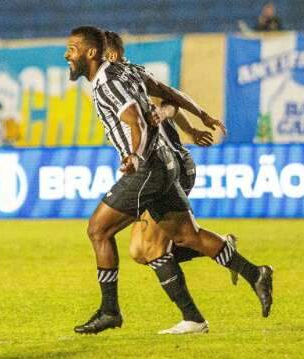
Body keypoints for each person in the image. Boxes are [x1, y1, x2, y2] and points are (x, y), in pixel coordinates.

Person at [65, 25, 273, 335]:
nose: (67, 54)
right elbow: (169, 94)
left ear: (91, 53)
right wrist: (201, 114)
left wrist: (134, 155)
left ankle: (111, 311)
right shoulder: (128, 72)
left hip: (147, 168)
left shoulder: (107, 83)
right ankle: (254, 273)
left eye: (72, 49)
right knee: (184, 237)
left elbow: (135, 119)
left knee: (100, 230)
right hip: (164, 164)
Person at [104, 30, 239, 335]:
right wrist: (189, 127)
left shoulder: (128, 77)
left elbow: (170, 101)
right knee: (140, 251)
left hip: (167, 168)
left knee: (151, 247)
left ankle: (194, 317)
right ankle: (222, 250)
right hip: (159, 168)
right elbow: (169, 104)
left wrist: (172, 117)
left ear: (109, 55)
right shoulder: (122, 78)